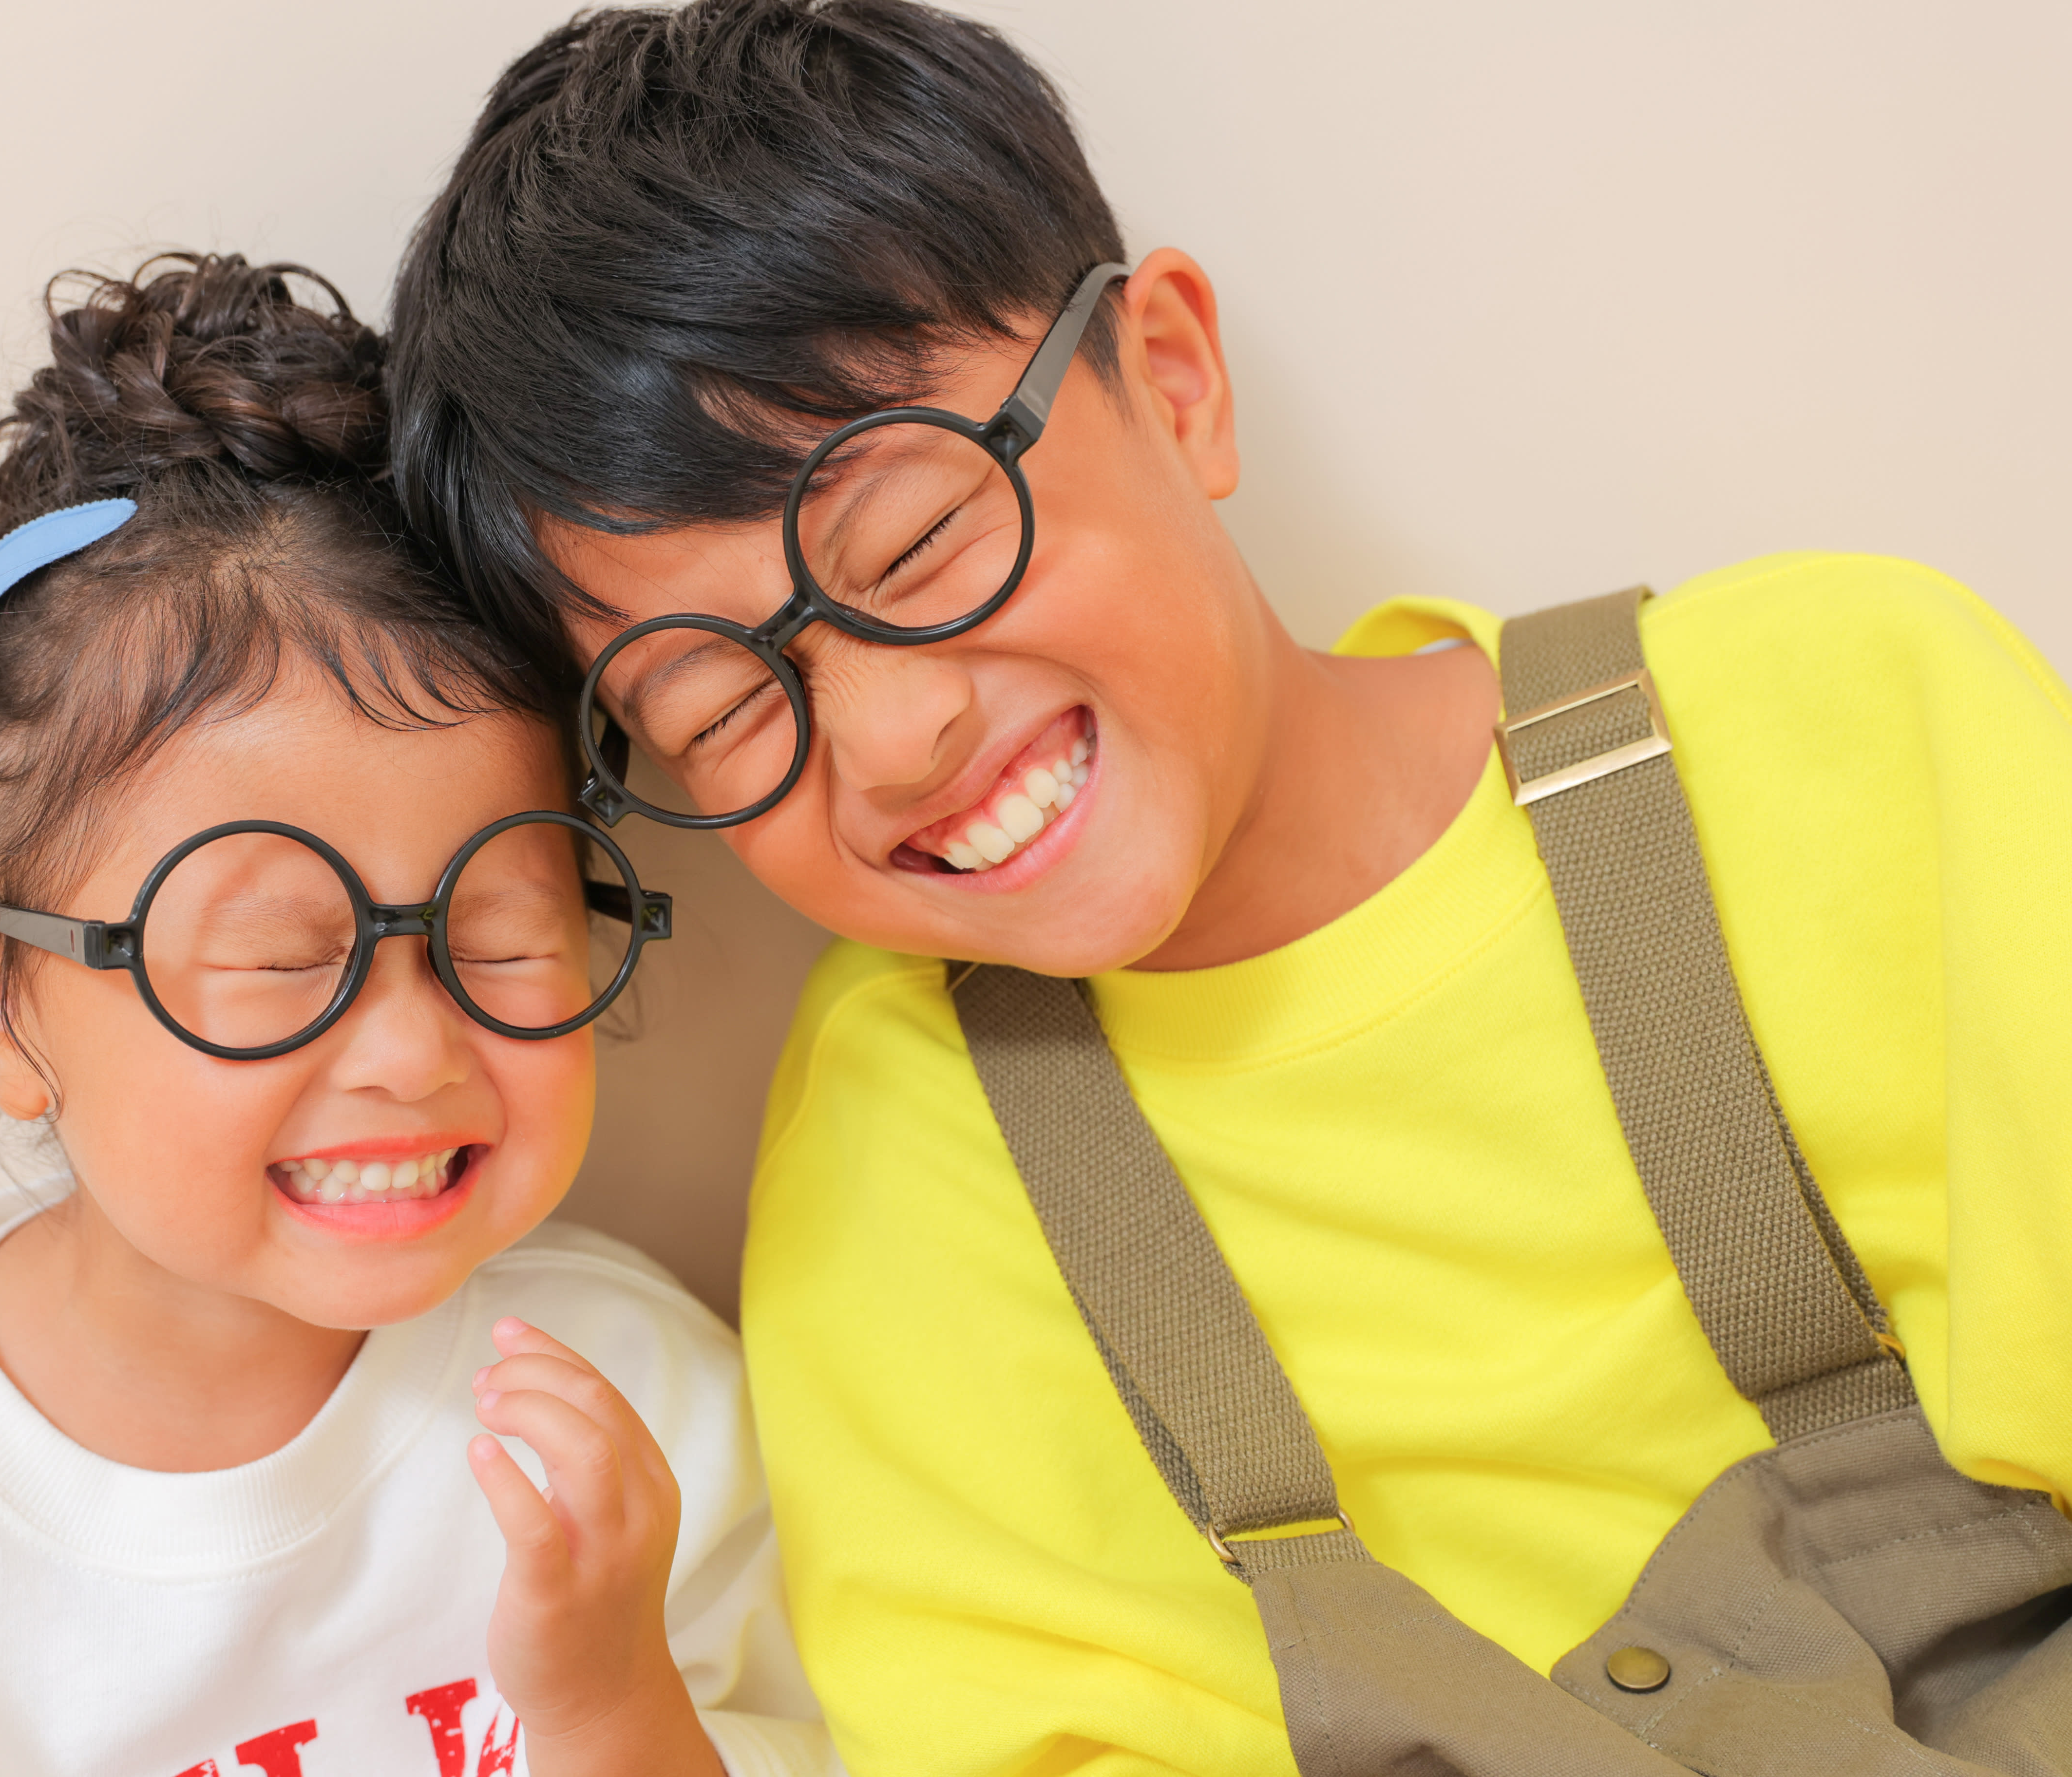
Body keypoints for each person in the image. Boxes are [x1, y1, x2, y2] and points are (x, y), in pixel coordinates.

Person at [385, 3, 2072, 1773]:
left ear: (1174, 380)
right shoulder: (910, 1161)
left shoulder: (1838, 718)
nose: (891, 735)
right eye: (727, 706)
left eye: (917, 541)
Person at [0, 253, 834, 1777]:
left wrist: (612, 1702)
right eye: (285, 962)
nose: (414, 1054)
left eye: (499, 934)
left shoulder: (640, 1405)